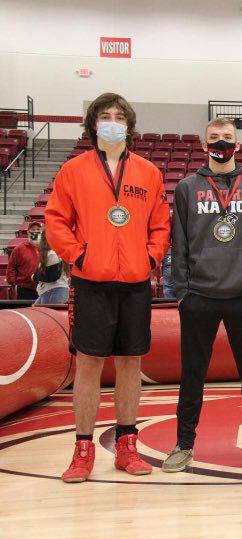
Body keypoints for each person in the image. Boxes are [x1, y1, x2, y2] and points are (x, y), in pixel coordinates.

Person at [45, 92, 171, 483]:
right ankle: (82, 450)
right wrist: (79, 257)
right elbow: (56, 221)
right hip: (90, 283)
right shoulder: (73, 170)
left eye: (119, 116)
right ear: (93, 124)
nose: (112, 121)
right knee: (89, 364)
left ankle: (127, 446)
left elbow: (160, 225)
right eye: (105, 115)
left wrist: (150, 259)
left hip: (135, 283)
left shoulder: (148, 172)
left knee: (131, 364)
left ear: (129, 125)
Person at [162, 117, 242, 472]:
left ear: (237, 144)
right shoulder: (187, 188)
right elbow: (178, 244)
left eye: (227, 137)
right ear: (204, 144)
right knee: (192, 375)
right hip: (199, 296)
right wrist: (183, 293)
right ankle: (183, 444)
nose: (221, 142)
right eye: (214, 137)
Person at [32, 227, 70, 304]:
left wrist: (35, 277)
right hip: (51, 291)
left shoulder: (52, 254)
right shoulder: (55, 252)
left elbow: (51, 276)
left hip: (55, 291)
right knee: (35, 308)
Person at [7, 222, 42, 300]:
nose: (36, 232)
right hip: (24, 289)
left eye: (38, 230)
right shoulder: (19, 249)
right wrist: (14, 283)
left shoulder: (47, 249)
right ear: (28, 232)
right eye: (33, 230)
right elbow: (11, 267)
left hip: (44, 289)